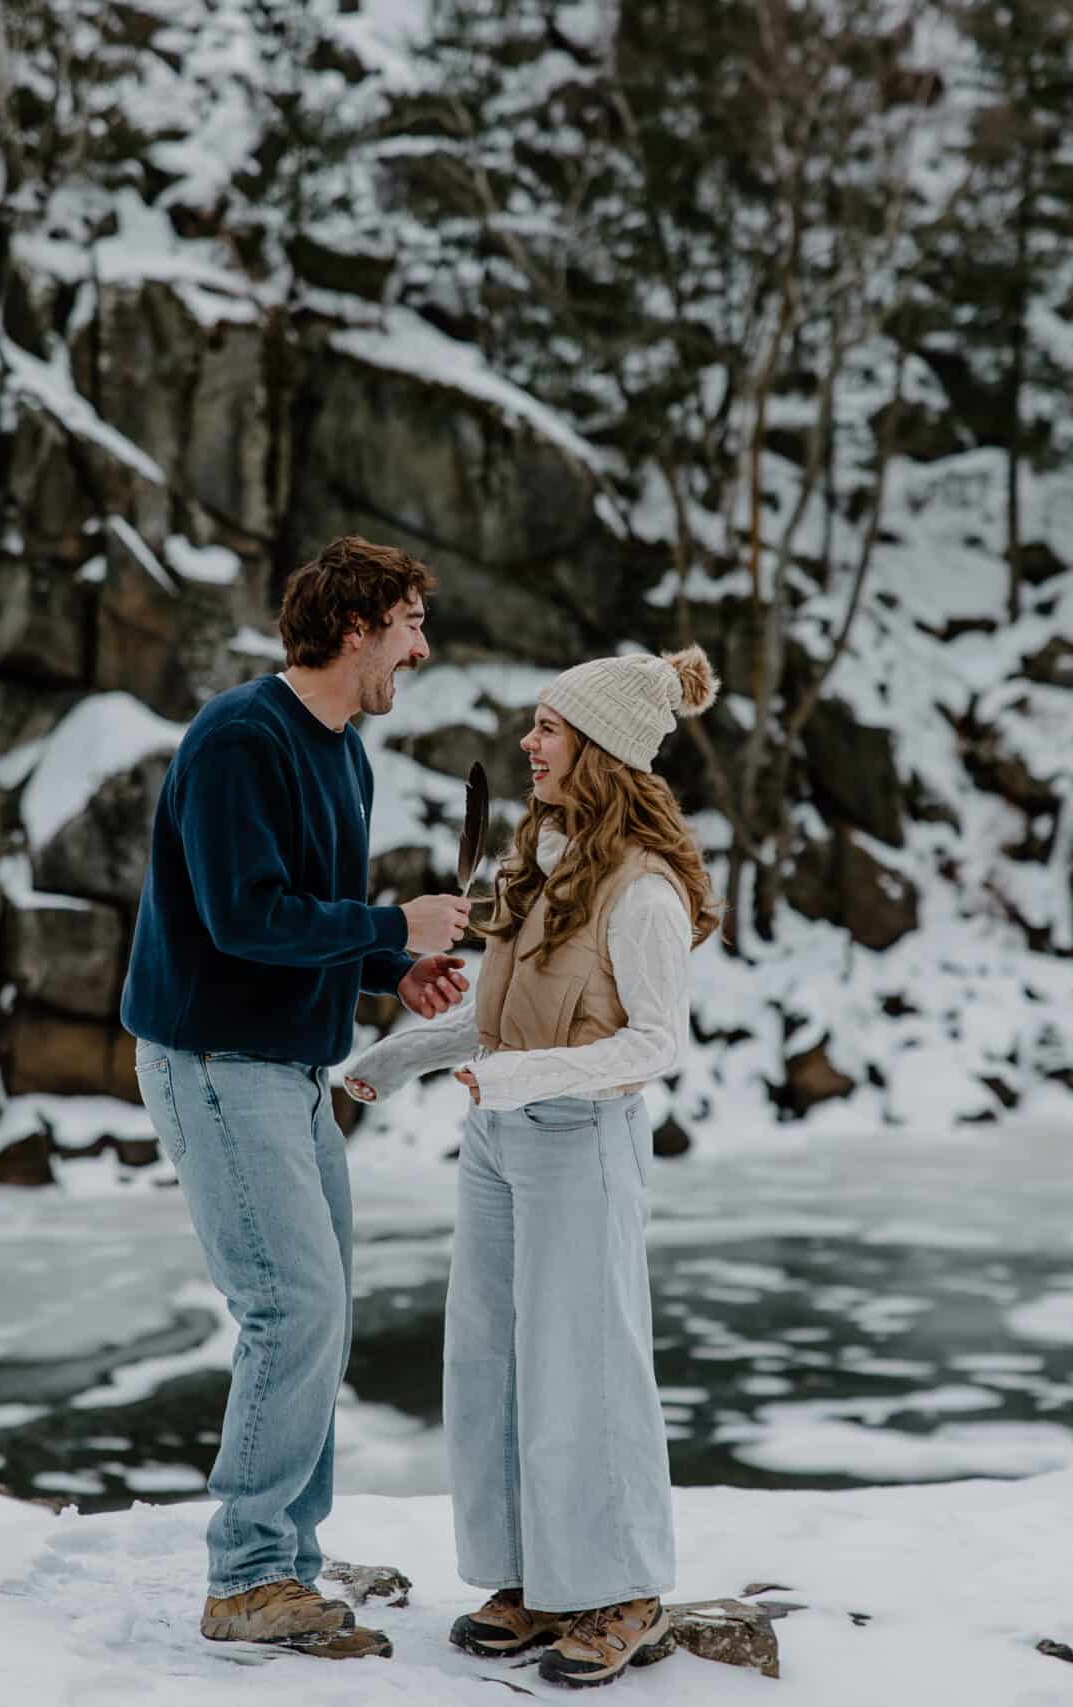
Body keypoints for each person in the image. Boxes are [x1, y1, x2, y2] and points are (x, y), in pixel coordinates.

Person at [122, 535, 476, 1662]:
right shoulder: (241, 737)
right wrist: (387, 926)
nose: (420, 650)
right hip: (218, 1065)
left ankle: (289, 1557)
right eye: (410, 625)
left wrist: (389, 968)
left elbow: (299, 923)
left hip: (286, 1068)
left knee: (318, 1309)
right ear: (358, 626)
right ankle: (248, 1574)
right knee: (294, 1307)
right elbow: (241, 919)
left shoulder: (344, 752)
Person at [341, 644, 722, 1689]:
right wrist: (391, 1060)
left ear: (596, 749)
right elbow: (493, 1014)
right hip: (498, 1147)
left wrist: (523, 1078)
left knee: (586, 1371)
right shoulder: (539, 857)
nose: (527, 743)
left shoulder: (640, 892)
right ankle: (531, 1579)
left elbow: (655, 1044)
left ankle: (626, 1589)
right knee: (493, 1364)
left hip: (577, 1144)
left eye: (547, 729)